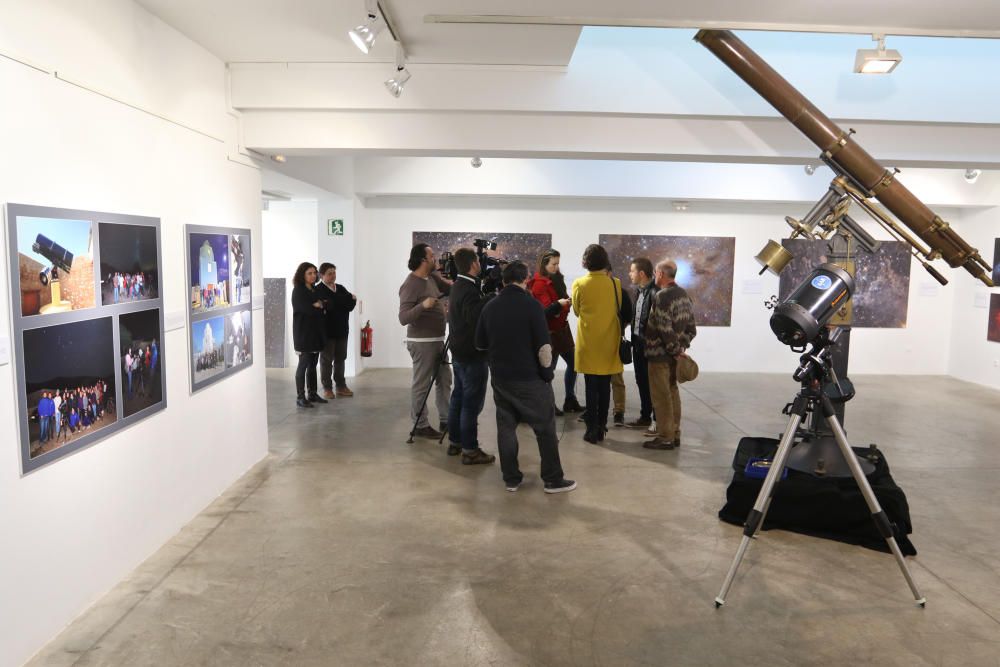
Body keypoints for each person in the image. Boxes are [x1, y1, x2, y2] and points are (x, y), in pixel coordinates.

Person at [476, 261, 575, 493]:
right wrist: (547, 374)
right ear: (525, 279)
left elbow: (479, 344)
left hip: (501, 378)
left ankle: (511, 478)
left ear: (503, 280)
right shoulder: (532, 306)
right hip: (530, 379)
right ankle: (552, 480)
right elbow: (544, 348)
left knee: (506, 428)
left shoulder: (490, 307)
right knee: (545, 429)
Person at [445, 248, 496, 464]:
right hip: (471, 353)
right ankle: (470, 450)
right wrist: (491, 298)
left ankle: (456, 441)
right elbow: (474, 316)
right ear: (473, 264)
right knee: (471, 403)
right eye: (477, 261)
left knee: (459, 397)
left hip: (459, 351)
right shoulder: (467, 288)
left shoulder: (459, 285)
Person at [398, 243, 452, 439]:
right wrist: (423, 305)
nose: (435, 258)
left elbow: (450, 289)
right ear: (423, 260)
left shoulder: (432, 278)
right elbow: (403, 318)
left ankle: (446, 419)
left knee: (445, 380)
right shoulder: (410, 284)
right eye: (431, 256)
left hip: (437, 340)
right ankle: (420, 425)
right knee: (422, 384)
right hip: (422, 342)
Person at [643, 259, 698, 450]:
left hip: (660, 355)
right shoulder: (684, 296)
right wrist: (681, 349)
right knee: (672, 392)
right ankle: (674, 433)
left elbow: (664, 327)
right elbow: (691, 328)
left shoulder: (663, 296)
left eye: (656, 272)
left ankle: (665, 437)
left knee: (661, 397)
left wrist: (674, 351)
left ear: (661, 274)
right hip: (675, 355)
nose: (654, 275)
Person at [572, 244, 624, 444]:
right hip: (609, 341)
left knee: (590, 386)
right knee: (604, 386)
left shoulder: (579, 283)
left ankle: (591, 428)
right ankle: (602, 427)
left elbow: (576, 311)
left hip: (588, 341)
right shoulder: (615, 284)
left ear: (586, 261)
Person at [528, 249, 583, 415]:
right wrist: (559, 305)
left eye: (558, 263)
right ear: (545, 264)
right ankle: (548, 404)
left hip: (561, 331)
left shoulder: (557, 279)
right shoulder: (539, 284)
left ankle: (570, 399)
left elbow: (559, 302)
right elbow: (544, 312)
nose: (557, 267)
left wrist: (566, 302)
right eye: (554, 264)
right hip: (549, 333)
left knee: (574, 364)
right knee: (548, 371)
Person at [314, 262, 357, 399]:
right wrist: (340, 301)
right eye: (329, 273)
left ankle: (341, 386)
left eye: (334, 272)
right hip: (327, 331)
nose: (333, 275)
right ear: (321, 275)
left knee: (341, 358)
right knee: (326, 360)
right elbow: (328, 305)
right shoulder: (318, 289)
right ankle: (327, 388)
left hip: (342, 329)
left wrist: (334, 302)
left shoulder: (341, 288)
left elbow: (350, 304)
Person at [626, 257, 659, 432]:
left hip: (649, 346)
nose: (629, 274)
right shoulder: (639, 291)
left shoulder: (655, 292)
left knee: (652, 384)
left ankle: (656, 419)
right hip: (637, 343)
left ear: (641, 273)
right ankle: (645, 416)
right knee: (641, 381)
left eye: (632, 271)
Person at [291, 261, 327, 408]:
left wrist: (320, 305)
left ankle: (312, 393)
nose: (313, 276)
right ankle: (300, 396)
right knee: (303, 364)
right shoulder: (298, 291)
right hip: (303, 334)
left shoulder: (314, 289)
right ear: (303, 275)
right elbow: (307, 309)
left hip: (316, 333)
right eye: (309, 273)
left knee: (313, 365)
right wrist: (317, 306)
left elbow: (325, 304)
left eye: (314, 273)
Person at [607, 264, 633, 427]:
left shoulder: (620, 293)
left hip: (615, 339)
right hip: (612, 337)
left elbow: (628, 315)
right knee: (613, 377)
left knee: (615, 377)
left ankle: (619, 411)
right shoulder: (619, 292)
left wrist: (620, 328)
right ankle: (618, 412)